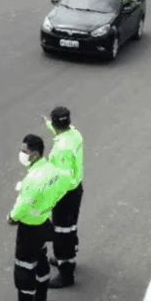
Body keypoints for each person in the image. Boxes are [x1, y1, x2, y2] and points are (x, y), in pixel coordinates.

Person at [8, 134, 69, 301]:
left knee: (24, 270)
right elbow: (64, 184)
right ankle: (40, 298)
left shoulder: (32, 179)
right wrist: (48, 203)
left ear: (34, 154)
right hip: (44, 224)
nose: (21, 153)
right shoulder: (52, 169)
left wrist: (11, 217)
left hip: (29, 230)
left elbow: (21, 208)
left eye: (24, 151)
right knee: (41, 259)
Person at [43, 107, 84, 288]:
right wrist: (48, 123)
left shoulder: (62, 149)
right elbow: (61, 130)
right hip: (75, 190)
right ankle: (68, 260)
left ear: (55, 123)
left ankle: (65, 272)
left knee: (61, 233)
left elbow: (63, 178)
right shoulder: (74, 133)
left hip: (65, 194)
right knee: (70, 229)